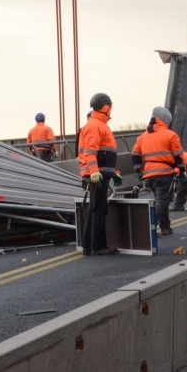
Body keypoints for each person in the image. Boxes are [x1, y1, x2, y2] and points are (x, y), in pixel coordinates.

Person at [131, 106, 183, 236]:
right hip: (164, 174)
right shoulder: (171, 135)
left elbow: (135, 155)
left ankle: (165, 228)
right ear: (166, 120)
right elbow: (178, 156)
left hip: (149, 175)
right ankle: (149, 225)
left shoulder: (142, 136)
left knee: (161, 200)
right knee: (163, 201)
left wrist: (139, 171)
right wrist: (182, 170)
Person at [77, 92, 117, 256]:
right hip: (98, 174)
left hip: (100, 172)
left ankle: (88, 246)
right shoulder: (96, 125)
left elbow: (106, 152)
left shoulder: (96, 124)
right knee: (99, 210)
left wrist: (115, 172)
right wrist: (94, 171)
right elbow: (91, 152)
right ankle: (98, 246)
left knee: (94, 208)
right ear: (106, 107)